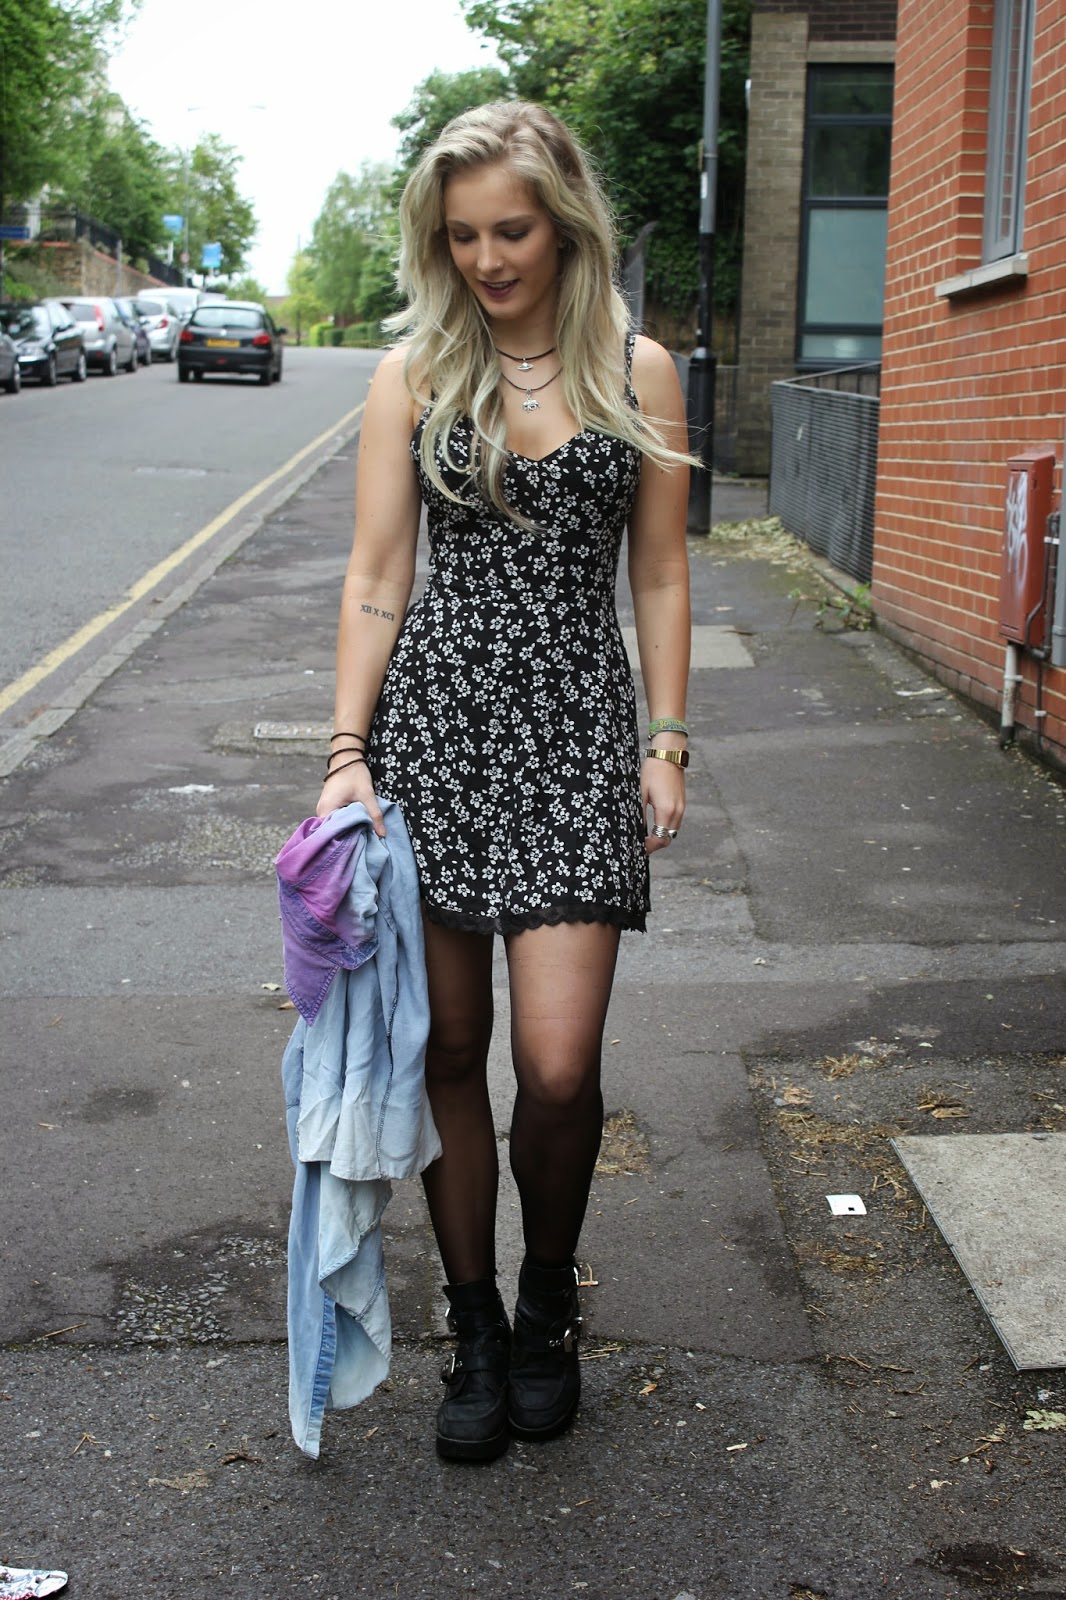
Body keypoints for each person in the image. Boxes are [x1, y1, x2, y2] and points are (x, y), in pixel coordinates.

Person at [316, 100, 692, 1463]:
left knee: (557, 1063)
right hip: (435, 735)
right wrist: (346, 754)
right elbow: (377, 574)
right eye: (462, 235)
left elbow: (660, 569)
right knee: (448, 1052)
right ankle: (474, 1327)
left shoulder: (638, 369)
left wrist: (665, 737)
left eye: (511, 230)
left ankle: (548, 1302)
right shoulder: (414, 373)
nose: (486, 259)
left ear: (565, 224)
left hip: (578, 738)